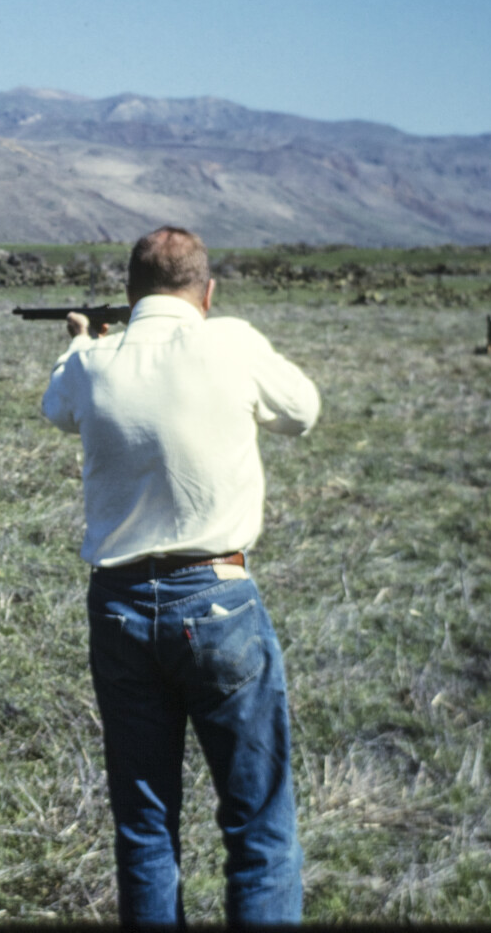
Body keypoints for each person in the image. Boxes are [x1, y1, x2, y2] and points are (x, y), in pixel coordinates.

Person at [40, 226, 320, 925]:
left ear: (129, 292)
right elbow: (302, 412)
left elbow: (56, 409)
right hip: (219, 599)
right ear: (207, 290)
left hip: (120, 605)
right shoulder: (229, 342)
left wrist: (83, 337)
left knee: (144, 826)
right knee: (258, 825)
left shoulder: (95, 361)